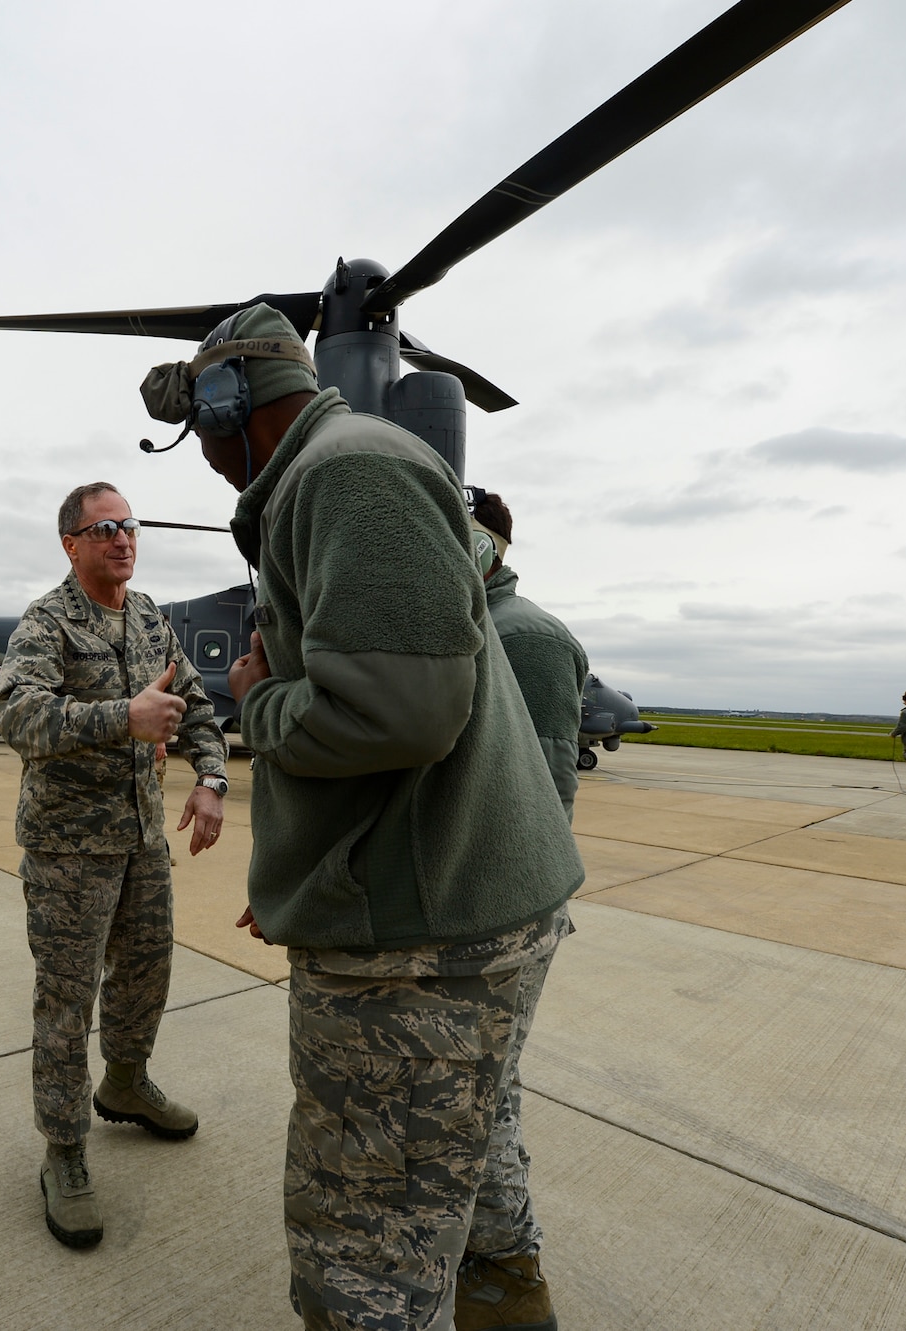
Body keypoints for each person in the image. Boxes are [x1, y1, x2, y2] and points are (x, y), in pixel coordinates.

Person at [140, 304, 583, 1329]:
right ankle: (503, 1297)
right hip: (423, 903)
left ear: (226, 401)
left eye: (201, 431)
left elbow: (395, 710)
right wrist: (311, 871)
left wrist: (256, 696)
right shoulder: (342, 468)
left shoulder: (342, 472)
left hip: (413, 943)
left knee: (363, 1255)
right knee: (462, 1167)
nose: (205, 460)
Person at [0, 482, 230, 1249]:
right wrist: (120, 718)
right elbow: (17, 713)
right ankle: (63, 1152)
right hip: (68, 847)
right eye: (105, 528)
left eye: (129, 525)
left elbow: (194, 703)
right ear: (71, 543)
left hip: (140, 840)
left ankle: (125, 1081)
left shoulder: (150, 616)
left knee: (147, 969)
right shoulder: (48, 621)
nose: (124, 538)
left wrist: (213, 778)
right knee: (65, 1003)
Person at [454, 490, 590, 1330]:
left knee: (485, 1091)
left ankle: (509, 1273)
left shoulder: (527, 638)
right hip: (463, 905)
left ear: (493, 544)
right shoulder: (466, 622)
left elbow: (536, 800)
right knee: (472, 1092)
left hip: (497, 911)